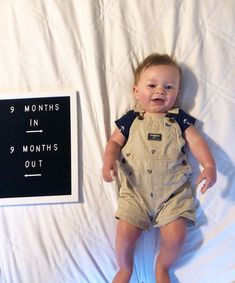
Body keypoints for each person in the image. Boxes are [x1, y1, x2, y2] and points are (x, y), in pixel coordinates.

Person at [102, 53, 216, 283]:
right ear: (136, 91)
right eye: (151, 85)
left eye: (168, 86)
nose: (160, 91)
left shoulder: (180, 119)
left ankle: (162, 267)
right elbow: (114, 142)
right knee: (124, 235)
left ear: (178, 94)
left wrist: (209, 164)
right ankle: (125, 268)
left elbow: (195, 141)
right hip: (136, 194)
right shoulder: (131, 119)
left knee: (177, 236)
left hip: (172, 197)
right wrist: (109, 161)